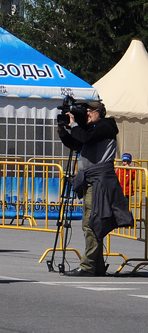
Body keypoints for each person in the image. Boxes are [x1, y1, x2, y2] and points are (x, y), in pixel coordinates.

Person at [57, 100, 133, 276]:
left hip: (99, 183)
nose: (87, 114)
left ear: (98, 112)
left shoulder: (106, 125)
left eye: (89, 111)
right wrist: (62, 131)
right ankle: (97, 266)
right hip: (91, 182)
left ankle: (88, 266)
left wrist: (75, 124)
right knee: (92, 224)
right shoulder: (92, 130)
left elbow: (86, 138)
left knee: (91, 224)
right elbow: (78, 144)